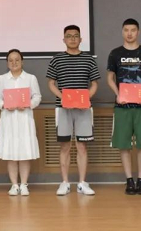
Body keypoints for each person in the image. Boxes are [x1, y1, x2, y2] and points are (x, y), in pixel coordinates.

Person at [47, 25, 100, 196]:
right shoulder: (57, 59)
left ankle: (82, 183)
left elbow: (94, 84)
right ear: (64, 39)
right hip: (63, 108)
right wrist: (63, 97)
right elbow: (51, 83)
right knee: (65, 146)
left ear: (81, 39)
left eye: (75, 36)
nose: (72, 39)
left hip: (84, 109)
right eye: (69, 36)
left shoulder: (89, 59)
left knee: (82, 146)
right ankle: (65, 182)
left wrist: (86, 98)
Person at [107, 18, 141, 195]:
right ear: (122, 32)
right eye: (126, 30)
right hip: (122, 106)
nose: (129, 33)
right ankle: (129, 180)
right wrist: (118, 94)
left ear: (138, 32)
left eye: (133, 30)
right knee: (124, 144)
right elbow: (110, 79)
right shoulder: (115, 53)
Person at [0, 49, 41, 196]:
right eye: (10, 60)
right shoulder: (2, 79)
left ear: (22, 61)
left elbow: (37, 97)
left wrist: (28, 104)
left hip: (24, 118)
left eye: (17, 60)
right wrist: (4, 105)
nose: (14, 63)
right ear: (7, 63)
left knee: (25, 151)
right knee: (11, 152)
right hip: (8, 119)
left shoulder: (30, 78)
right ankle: (14, 184)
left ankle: (24, 184)